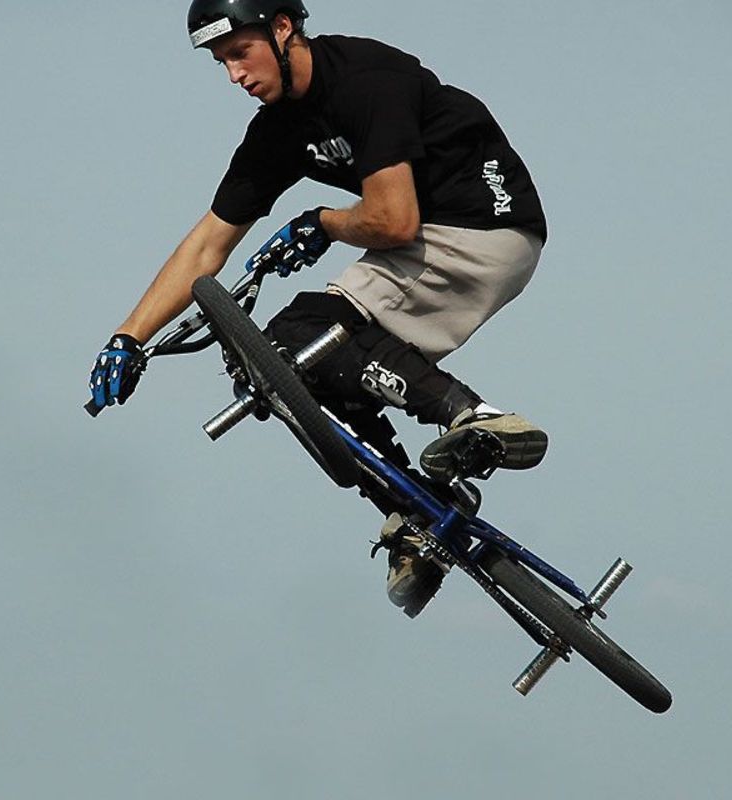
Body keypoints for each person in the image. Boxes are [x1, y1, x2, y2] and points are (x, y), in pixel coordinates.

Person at [87, 0, 548, 616]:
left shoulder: (364, 79)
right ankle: (415, 512)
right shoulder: (277, 131)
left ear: (283, 29)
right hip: (432, 239)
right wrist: (128, 337)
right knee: (294, 363)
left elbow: (393, 218)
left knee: (302, 334)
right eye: (222, 63)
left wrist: (324, 223)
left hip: (480, 223)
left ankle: (475, 419)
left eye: (240, 53)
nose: (235, 75)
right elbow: (207, 244)